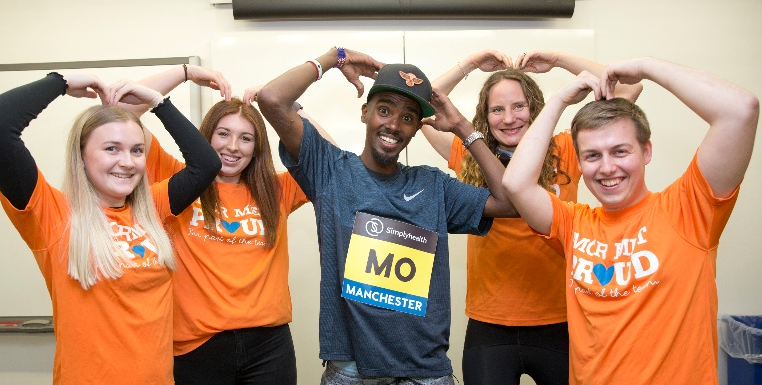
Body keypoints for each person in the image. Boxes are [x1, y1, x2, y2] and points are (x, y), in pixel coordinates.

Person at [256, 47, 516, 383]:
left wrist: (464, 128)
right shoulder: (330, 170)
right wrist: (336, 57)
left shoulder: (433, 186)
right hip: (351, 369)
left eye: (408, 117)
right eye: (384, 111)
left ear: (416, 127)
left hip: (425, 371)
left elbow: (509, 202)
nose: (393, 125)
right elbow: (272, 99)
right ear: (365, 113)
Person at [501, 58, 759, 384]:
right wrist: (559, 100)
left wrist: (647, 67)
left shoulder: (689, 209)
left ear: (646, 151)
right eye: (592, 156)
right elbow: (516, 184)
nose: (607, 168)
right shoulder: (573, 222)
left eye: (620, 151)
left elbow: (741, 110)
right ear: (580, 161)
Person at [0, 72, 221, 384]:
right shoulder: (54, 215)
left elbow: (206, 164)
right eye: (112, 149)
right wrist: (61, 82)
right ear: (82, 156)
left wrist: (158, 103)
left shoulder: (152, 210)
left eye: (136, 149)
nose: (128, 162)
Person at [420, 50, 642, 385]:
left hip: (561, 323)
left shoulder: (566, 150)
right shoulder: (468, 155)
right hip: (489, 327)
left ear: (535, 109)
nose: (509, 118)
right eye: (497, 109)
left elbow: (628, 87)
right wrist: (469, 64)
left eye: (518, 106)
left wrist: (559, 59)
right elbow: (421, 105)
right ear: (485, 115)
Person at [122, 65, 333, 385]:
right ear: (206, 135)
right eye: (223, 134)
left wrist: (284, 105)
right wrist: (185, 72)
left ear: (256, 146)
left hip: (269, 348)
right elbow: (119, 111)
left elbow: (333, 163)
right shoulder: (176, 180)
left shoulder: (275, 189)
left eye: (245, 137)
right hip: (196, 348)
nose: (233, 146)